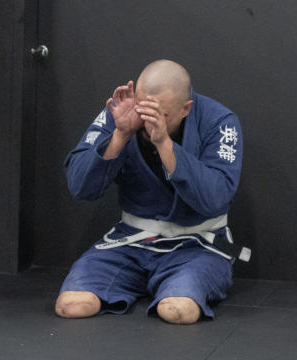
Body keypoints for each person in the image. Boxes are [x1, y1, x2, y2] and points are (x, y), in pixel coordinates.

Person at [55, 59, 247, 324]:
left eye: (162, 115)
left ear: (186, 109)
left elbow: (215, 199)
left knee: (178, 311)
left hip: (198, 245)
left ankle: (175, 285)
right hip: (132, 242)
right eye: (145, 111)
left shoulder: (220, 121)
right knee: (72, 305)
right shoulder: (121, 113)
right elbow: (80, 187)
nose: (149, 122)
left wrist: (164, 144)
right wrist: (119, 136)